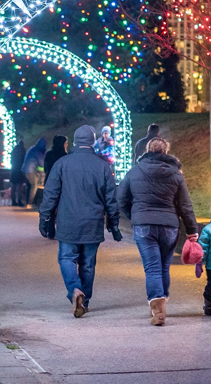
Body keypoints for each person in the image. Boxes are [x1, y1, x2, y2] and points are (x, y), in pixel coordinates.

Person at [39, 125, 121, 318]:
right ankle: (86, 299)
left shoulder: (62, 164)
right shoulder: (103, 166)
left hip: (68, 221)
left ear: (74, 142)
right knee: (88, 263)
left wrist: (45, 217)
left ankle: (75, 290)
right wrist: (114, 224)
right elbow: (111, 199)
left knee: (67, 258)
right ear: (93, 142)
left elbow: (50, 194)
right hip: (93, 222)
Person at [116, 137, 198, 326]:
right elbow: (185, 205)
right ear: (166, 152)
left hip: (144, 225)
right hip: (169, 225)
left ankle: (157, 307)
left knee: (152, 268)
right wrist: (192, 230)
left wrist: (135, 215)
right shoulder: (176, 174)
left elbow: (120, 198)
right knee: (163, 267)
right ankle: (161, 301)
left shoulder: (135, 171)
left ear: (147, 150)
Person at [21, 137, 46, 207]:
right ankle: (30, 203)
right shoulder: (38, 152)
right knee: (34, 186)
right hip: (30, 171)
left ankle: (28, 201)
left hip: (25, 169)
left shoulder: (32, 148)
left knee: (29, 186)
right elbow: (41, 163)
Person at [9, 140, 27, 206]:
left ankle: (13, 201)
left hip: (14, 169)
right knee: (20, 186)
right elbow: (24, 160)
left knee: (13, 186)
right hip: (20, 170)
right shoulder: (23, 150)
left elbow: (11, 160)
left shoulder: (14, 150)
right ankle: (19, 201)